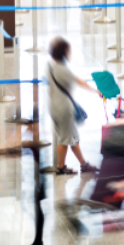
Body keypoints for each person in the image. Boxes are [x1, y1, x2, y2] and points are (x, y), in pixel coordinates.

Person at [46, 37, 99, 175]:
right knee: (64, 138)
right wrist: (95, 91)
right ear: (63, 52)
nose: (70, 53)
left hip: (54, 105)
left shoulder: (50, 66)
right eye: (68, 50)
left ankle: (83, 164)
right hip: (63, 108)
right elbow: (79, 82)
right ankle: (61, 167)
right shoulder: (62, 70)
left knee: (72, 136)